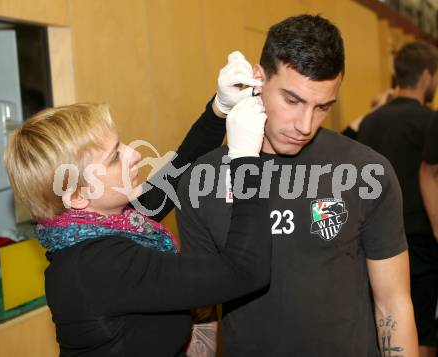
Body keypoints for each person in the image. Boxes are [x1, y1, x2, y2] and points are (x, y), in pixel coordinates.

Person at [176, 14, 418, 357]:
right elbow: (202, 316)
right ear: (258, 80)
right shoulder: (202, 180)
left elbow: (393, 304)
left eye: (323, 107)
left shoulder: (367, 172)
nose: (305, 125)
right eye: (292, 100)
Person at [3, 63, 272, 356]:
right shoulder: (97, 264)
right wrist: (245, 160)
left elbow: (176, 169)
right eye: (114, 157)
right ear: (78, 195)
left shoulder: (107, 226)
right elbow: (244, 271)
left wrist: (219, 108)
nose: (134, 154)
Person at [358, 41, 438, 357]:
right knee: (422, 327)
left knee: (383, 320)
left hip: (371, 241)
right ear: (427, 76)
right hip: (420, 240)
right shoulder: (429, 121)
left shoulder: (370, 122)